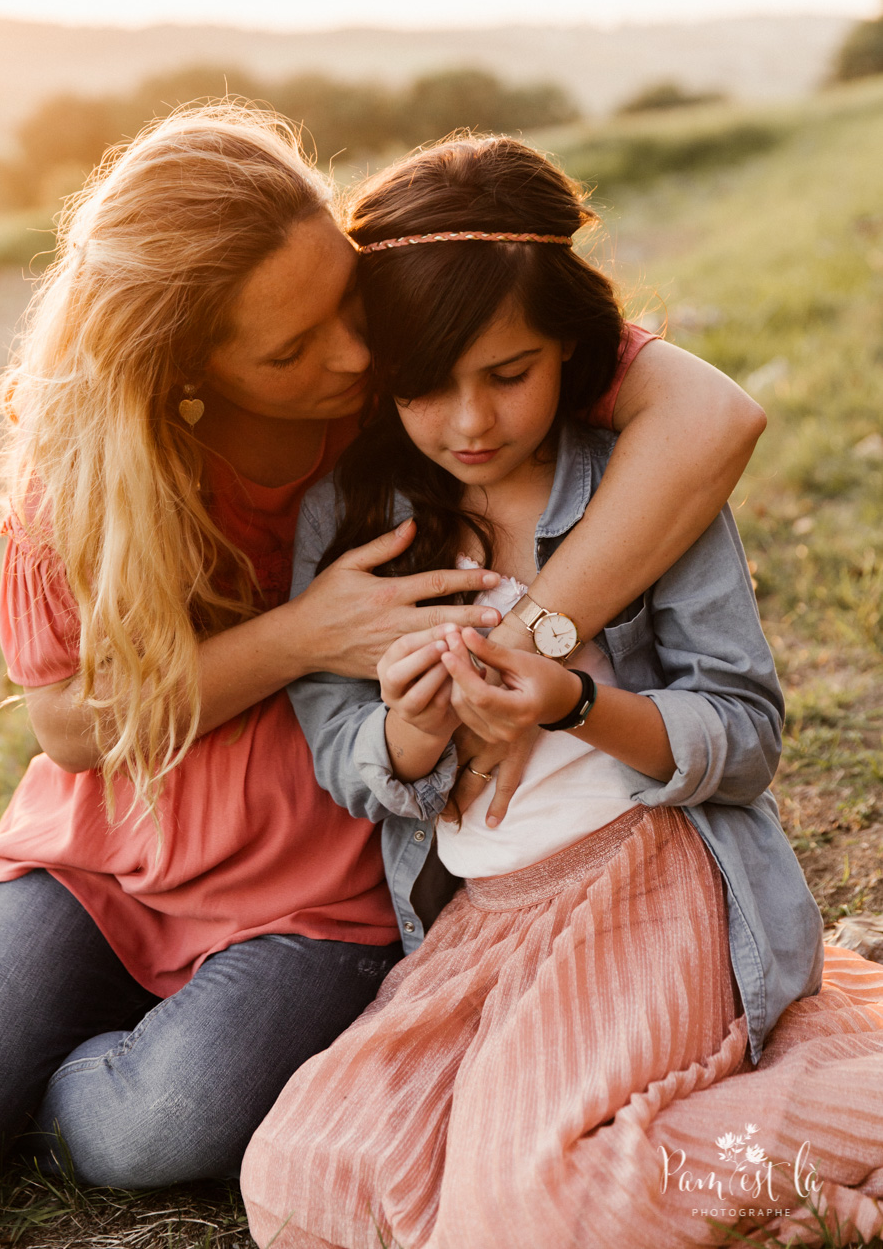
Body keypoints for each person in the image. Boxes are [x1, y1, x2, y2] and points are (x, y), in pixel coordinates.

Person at [0, 106, 767, 1202]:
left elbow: (714, 416)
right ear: (182, 366)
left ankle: (29, 1064)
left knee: (161, 1129)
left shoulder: (419, 381)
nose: (356, 355)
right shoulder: (93, 478)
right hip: (106, 855)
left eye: (343, 301)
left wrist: (517, 651)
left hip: (316, 876)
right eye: (291, 346)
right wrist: (303, 634)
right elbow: (73, 728)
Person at [241, 136, 883, 1249]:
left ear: (571, 352)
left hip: (645, 882)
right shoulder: (356, 517)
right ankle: (659, 1157)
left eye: (508, 373)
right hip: (483, 921)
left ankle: (804, 1134)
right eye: (424, 388)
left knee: (529, 1215)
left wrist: (574, 704)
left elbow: (744, 733)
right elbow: (344, 755)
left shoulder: (635, 489)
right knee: (302, 1179)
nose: (469, 423)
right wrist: (407, 731)